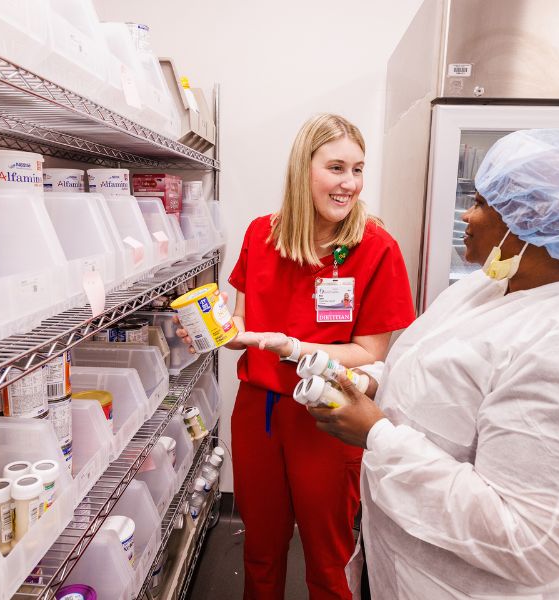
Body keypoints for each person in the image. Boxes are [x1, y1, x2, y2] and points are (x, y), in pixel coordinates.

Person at [308, 128, 559, 599]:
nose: (467, 214)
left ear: (532, 221)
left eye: (482, 203)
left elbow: (528, 542)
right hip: (406, 567)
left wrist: (375, 434)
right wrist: (370, 382)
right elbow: (439, 374)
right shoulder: (491, 285)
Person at [177, 113, 415, 599]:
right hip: (259, 412)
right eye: (336, 168)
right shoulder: (263, 234)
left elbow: (371, 352)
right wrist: (212, 329)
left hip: (329, 415)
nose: (349, 183)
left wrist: (294, 348)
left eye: (357, 169)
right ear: (302, 170)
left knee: (328, 558)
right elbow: (242, 323)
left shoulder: (375, 248)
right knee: (260, 549)